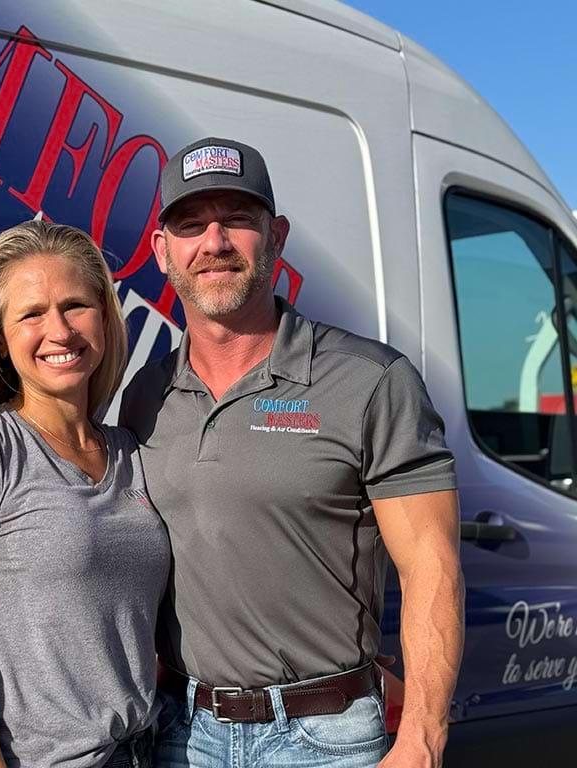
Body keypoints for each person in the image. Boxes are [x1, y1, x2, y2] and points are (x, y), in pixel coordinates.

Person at [119, 137, 465, 768]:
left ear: (275, 236)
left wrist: (421, 737)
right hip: (183, 734)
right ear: (161, 249)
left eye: (238, 220)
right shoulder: (146, 395)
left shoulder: (371, 382)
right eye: (191, 224)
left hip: (325, 739)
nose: (215, 242)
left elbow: (431, 566)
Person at [0, 221, 170, 768]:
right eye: (31, 314)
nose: (60, 330)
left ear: (103, 318)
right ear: (1, 339)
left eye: (76, 305)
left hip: (150, 751)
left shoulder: (132, 450)